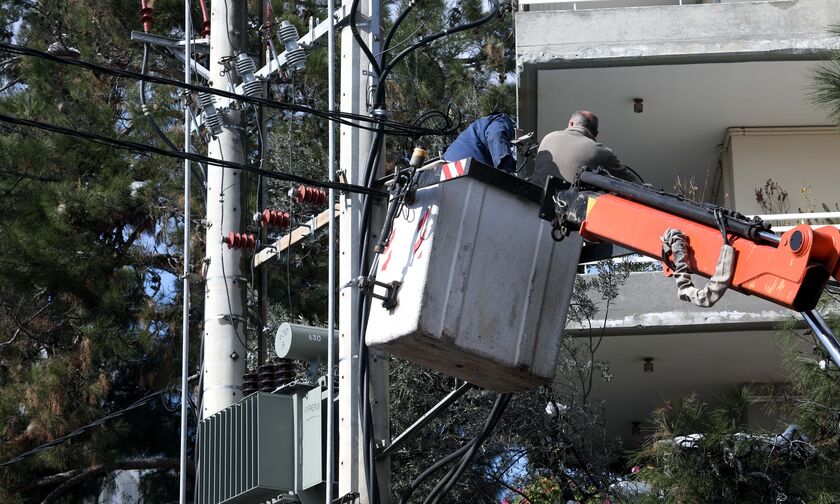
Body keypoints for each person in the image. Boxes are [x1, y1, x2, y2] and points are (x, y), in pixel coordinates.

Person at [532, 110, 643, 186]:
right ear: (596, 134)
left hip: (534, 204)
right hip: (567, 215)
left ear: (570, 123)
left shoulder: (548, 137)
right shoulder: (601, 152)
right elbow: (636, 185)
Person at [442, 113, 516, 173]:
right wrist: (505, 166)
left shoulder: (470, 133)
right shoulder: (500, 119)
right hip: (467, 170)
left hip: (444, 171)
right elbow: (496, 134)